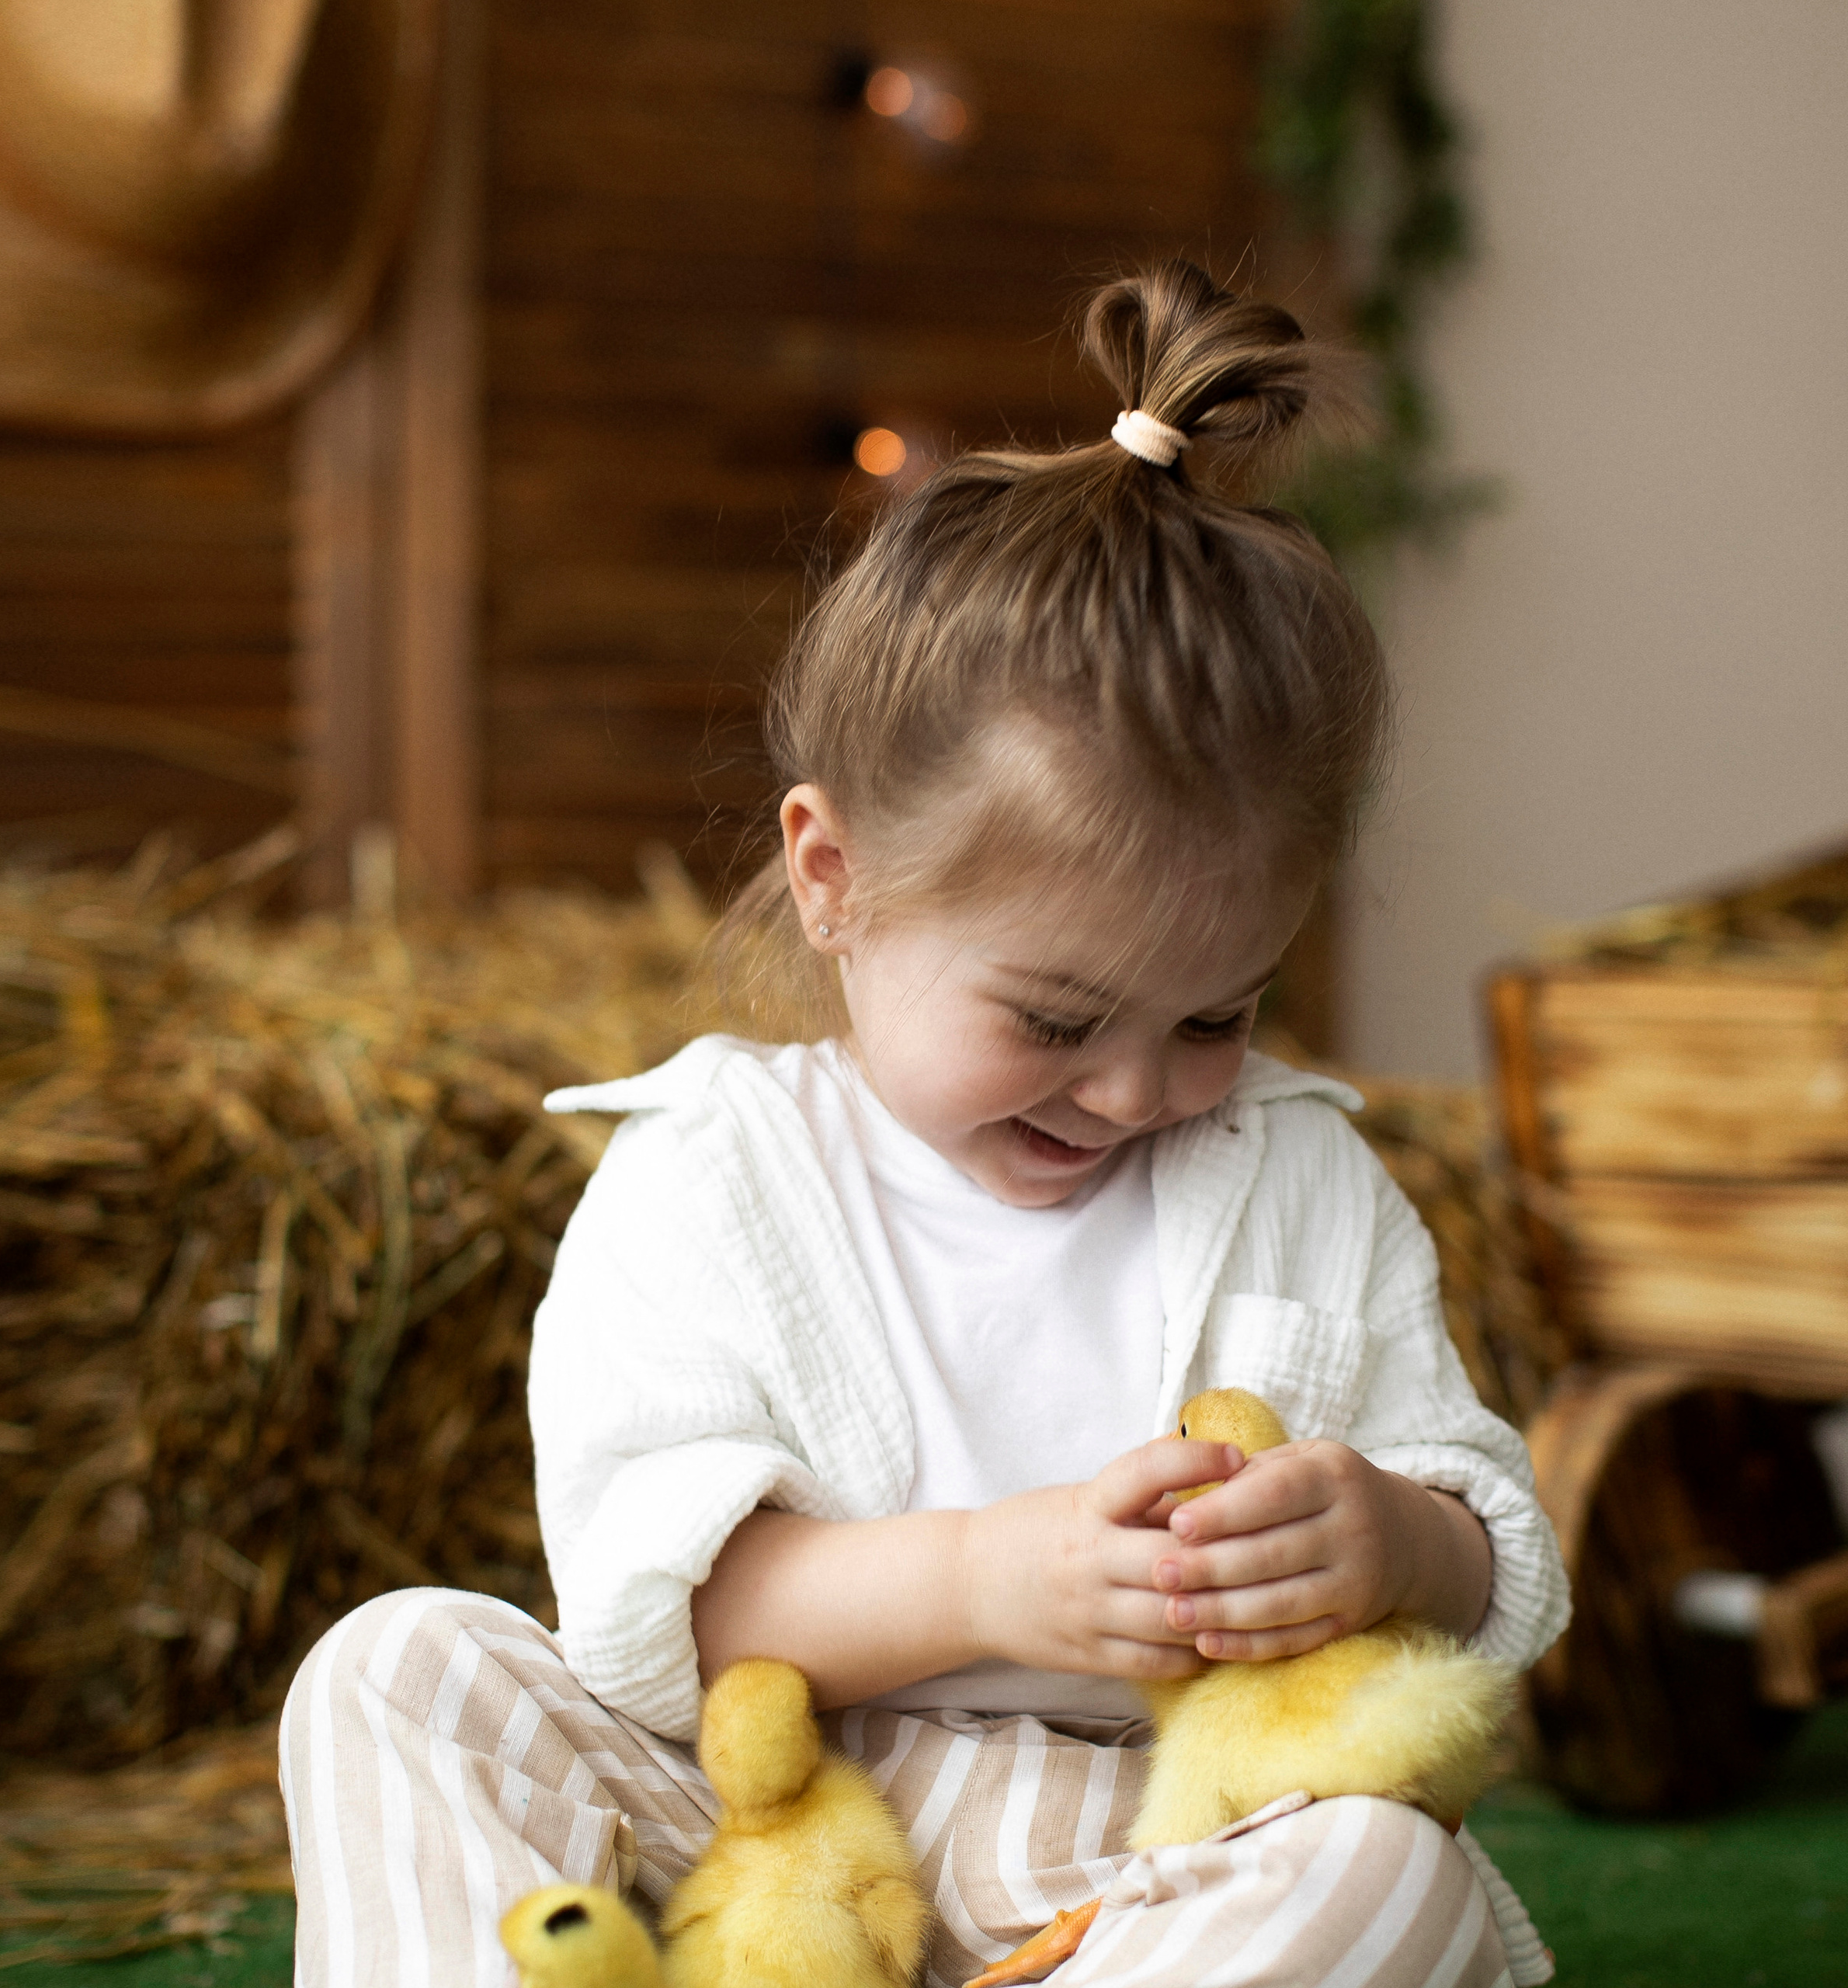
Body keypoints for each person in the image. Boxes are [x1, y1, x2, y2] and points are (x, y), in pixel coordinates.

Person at [281, 261, 1569, 1988]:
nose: (1130, 1091)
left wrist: (1398, 1536)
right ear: (836, 881)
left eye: (1214, 1014)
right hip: (768, 1827)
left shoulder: (1300, 1171)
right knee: (400, 1666)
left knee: (1375, 1872)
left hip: (1147, 1848)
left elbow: (1483, 1525)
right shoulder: (713, 1175)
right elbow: (654, 1604)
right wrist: (984, 1575)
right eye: (1049, 1018)